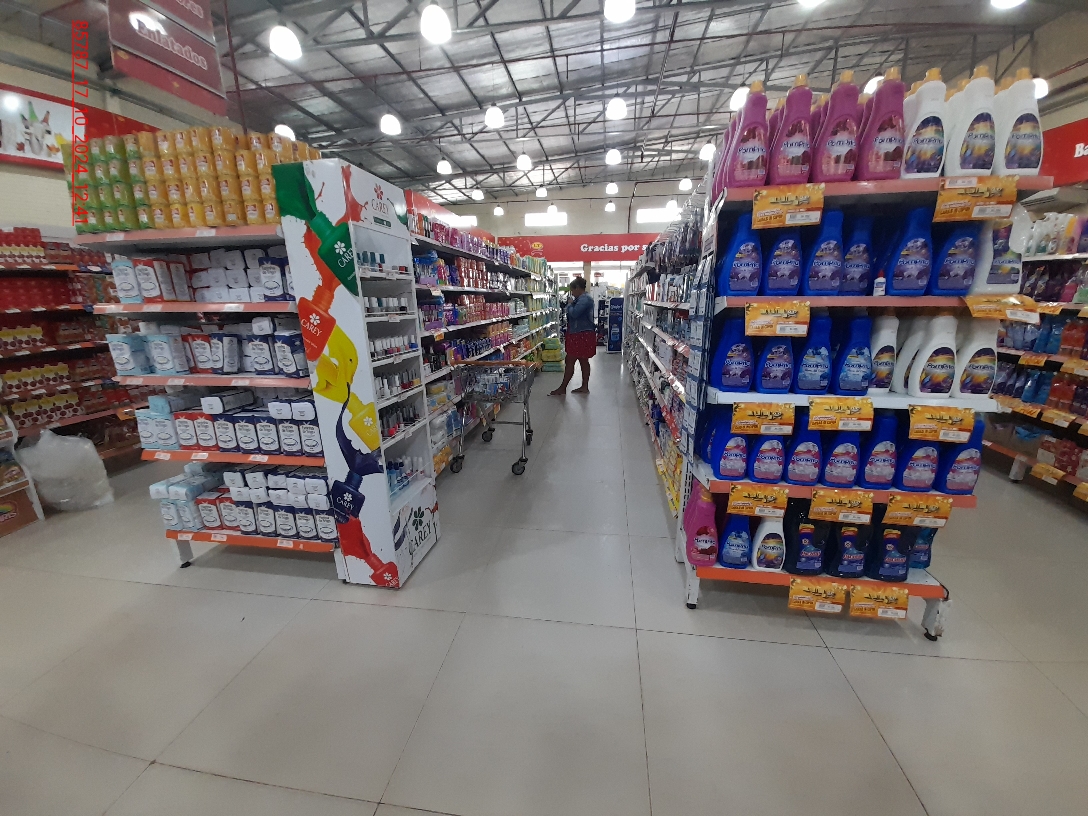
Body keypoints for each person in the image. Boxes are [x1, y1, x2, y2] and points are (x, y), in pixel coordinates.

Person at [550, 276, 596, 395]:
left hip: (581, 334)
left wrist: (570, 305)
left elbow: (575, 313)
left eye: (572, 290)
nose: (572, 293)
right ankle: (583, 387)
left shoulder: (585, 299)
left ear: (578, 288)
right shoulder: (582, 298)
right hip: (580, 333)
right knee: (583, 360)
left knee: (570, 360)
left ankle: (563, 388)